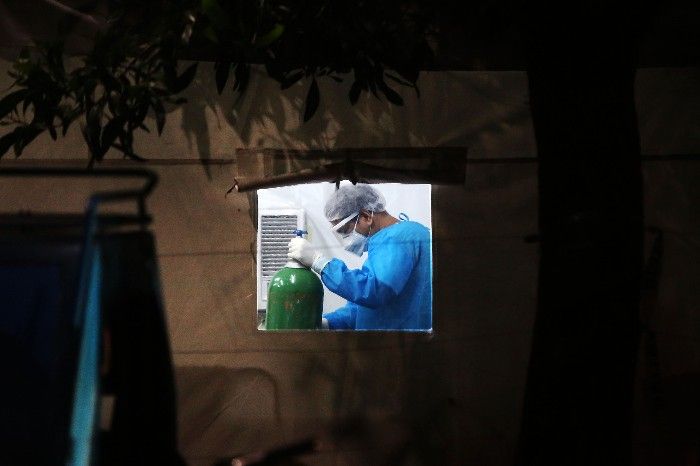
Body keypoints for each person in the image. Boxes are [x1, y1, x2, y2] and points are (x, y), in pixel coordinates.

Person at [287, 184, 432, 330]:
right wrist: (330, 322)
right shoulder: (391, 240)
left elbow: (374, 290)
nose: (345, 239)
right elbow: (364, 309)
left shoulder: (399, 239)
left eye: (345, 230)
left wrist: (321, 263)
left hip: (400, 347)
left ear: (366, 216)